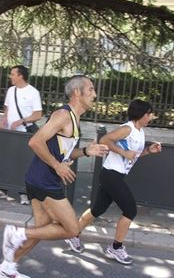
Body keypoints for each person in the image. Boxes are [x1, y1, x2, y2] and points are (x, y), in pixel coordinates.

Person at [0, 75, 109, 278]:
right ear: (77, 92)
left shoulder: (74, 118)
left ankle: (7, 267)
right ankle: (17, 233)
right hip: (44, 180)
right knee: (72, 229)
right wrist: (57, 166)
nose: (94, 94)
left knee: (41, 230)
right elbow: (35, 141)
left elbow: (64, 153)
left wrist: (86, 151)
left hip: (40, 179)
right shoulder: (63, 115)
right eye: (91, 89)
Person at [64, 99, 162, 265]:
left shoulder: (140, 131)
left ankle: (73, 235)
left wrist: (148, 151)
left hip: (117, 175)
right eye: (149, 113)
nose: (151, 116)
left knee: (96, 210)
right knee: (130, 210)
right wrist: (123, 152)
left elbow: (133, 155)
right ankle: (115, 248)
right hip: (111, 175)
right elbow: (105, 140)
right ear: (142, 114)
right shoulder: (127, 128)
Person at [0, 65, 42, 205]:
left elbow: (38, 114)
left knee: (24, 163)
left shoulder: (33, 92)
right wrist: (4, 120)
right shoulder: (11, 90)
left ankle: (24, 193)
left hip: (25, 133)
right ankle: (1, 189)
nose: (10, 76)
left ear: (21, 76)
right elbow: (7, 108)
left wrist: (22, 121)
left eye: (13, 74)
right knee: (5, 161)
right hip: (10, 133)